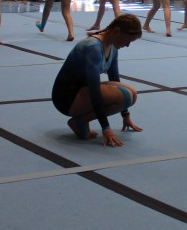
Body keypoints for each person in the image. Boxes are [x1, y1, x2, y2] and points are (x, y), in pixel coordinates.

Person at [52, 14, 143, 146]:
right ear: (117, 31)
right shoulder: (93, 47)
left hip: (81, 90)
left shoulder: (112, 46)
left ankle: (81, 119)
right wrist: (106, 128)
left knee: (132, 93)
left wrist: (126, 115)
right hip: (66, 98)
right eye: (127, 40)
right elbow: (94, 90)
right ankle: (79, 121)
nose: (127, 45)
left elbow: (115, 78)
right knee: (125, 95)